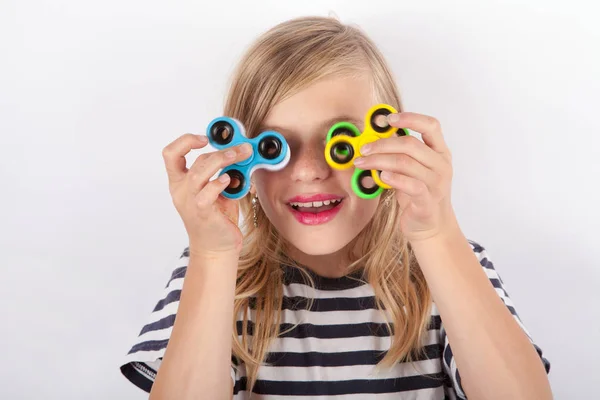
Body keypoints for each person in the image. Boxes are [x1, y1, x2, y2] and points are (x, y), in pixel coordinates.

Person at [119, 15, 552, 399]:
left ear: (388, 146)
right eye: (277, 146)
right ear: (242, 158)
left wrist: (436, 235)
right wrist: (212, 257)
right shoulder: (215, 280)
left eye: (337, 144)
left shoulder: (451, 269)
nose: (308, 171)